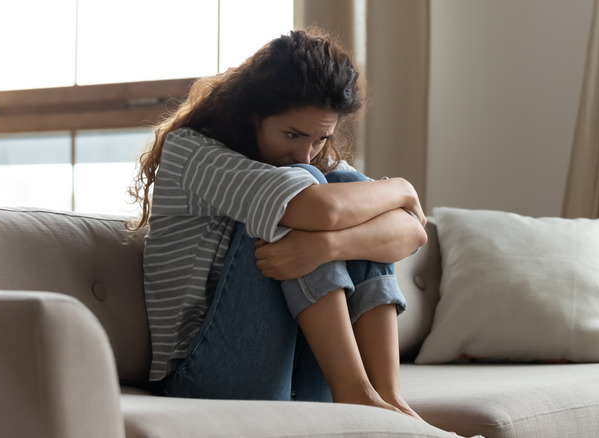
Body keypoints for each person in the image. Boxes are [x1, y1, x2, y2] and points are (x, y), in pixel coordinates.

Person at [128, 28, 427, 419]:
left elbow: (412, 231)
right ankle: (356, 393)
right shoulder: (190, 150)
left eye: (320, 139)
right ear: (253, 115)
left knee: (345, 182)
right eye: (292, 134)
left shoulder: (306, 160)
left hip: (296, 373)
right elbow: (322, 211)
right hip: (206, 379)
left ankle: (388, 398)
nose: (305, 152)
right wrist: (402, 187)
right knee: (300, 192)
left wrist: (328, 247)